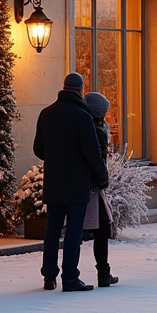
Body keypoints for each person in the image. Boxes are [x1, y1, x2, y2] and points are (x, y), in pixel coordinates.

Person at [34, 72, 107, 291]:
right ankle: (70, 278)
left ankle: (49, 276)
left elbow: (38, 149)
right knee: (74, 231)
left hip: (54, 183)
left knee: (52, 230)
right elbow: (93, 153)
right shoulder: (83, 117)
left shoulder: (46, 113)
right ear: (80, 90)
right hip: (77, 185)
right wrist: (102, 177)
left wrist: (56, 157)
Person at [82, 91, 118, 288]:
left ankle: (103, 272)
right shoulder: (94, 131)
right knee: (101, 229)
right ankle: (103, 273)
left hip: (92, 186)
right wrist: (103, 180)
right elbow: (96, 160)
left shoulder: (95, 128)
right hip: (92, 187)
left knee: (99, 229)